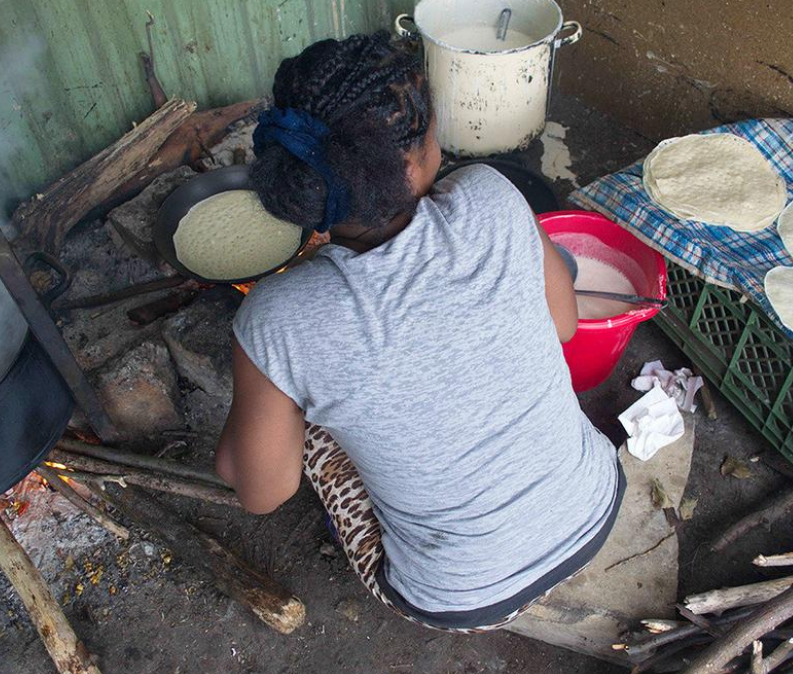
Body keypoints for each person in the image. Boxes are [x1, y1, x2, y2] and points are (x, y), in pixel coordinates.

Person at [215, 31, 623, 631]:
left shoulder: (276, 318)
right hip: (595, 507)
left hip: (460, 597)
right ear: (411, 162)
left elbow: (261, 492)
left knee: (314, 431)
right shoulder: (491, 194)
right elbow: (562, 325)